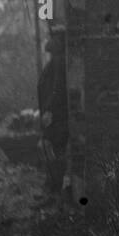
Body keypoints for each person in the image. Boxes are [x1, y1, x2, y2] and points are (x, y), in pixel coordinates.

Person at [38, 25, 68, 197]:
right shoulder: (55, 61)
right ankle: (52, 184)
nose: (51, 41)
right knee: (51, 148)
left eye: (56, 38)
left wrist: (49, 109)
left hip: (57, 113)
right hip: (54, 112)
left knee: (51, 147)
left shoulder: (59, 62)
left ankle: (54, 186)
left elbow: (57, 89)